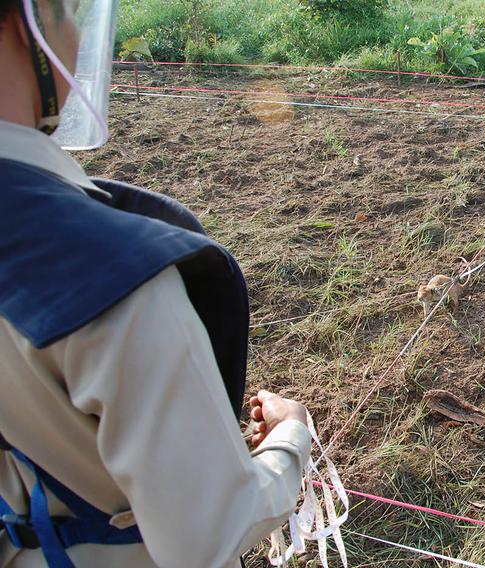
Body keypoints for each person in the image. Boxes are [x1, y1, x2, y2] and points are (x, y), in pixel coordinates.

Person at [0, 1, 313, 566]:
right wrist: (290, 440)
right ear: (27, 21)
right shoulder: (109, 273)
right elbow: (209, 536)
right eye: (68, 9)